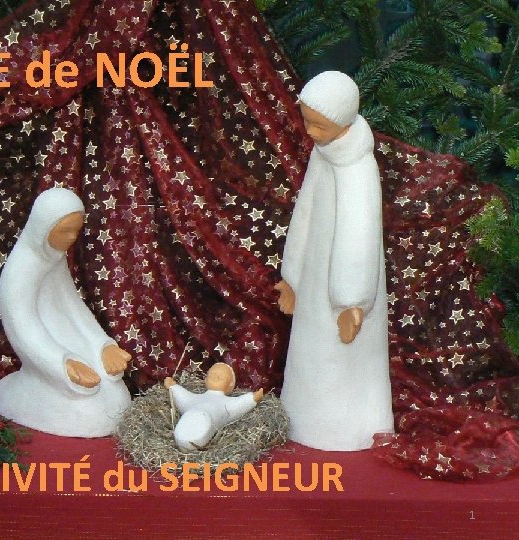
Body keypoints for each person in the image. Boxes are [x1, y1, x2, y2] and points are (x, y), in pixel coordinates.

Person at [275, 71, 394, 451]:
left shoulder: (358, 168)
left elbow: (360, 237)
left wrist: (352, 301)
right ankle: (304, 418)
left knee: (340, 359)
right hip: (315, 276)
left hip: (346, 291)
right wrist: (292, 277)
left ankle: (348, 428)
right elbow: (305, 213)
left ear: (343, 121)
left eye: (319, 125)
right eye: (307, 121)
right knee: (312, 355)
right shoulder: (323, 153)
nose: (311, 132)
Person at [0, 188, 132, 437]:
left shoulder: (54, 257)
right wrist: (60, 363)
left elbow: (72, 305)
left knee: (112, 389)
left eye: (76, 230)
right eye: (65, 231)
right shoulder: (20, 270)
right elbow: (22, 326)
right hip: (44, 349)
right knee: (89, 407)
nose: (72, 238)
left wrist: (102, 345)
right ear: (43, 228)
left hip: (64, 335)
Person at [164, 363, 263, 452]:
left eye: (221, 376)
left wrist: (253, 398)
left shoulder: (227, 404)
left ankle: (193, 439)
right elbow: (184, 398)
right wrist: (173, 387)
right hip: (190, 414)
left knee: (206, 420)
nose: (216, 377)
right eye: (212, 374)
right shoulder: (194, 398)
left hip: (208, 420)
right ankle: (184, 438)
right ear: (205, 380)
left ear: (230, 384)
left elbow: (239, 404)